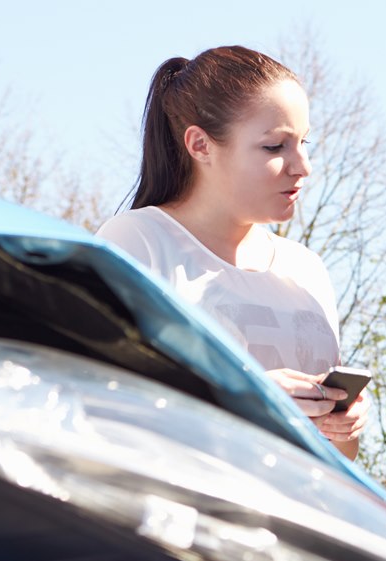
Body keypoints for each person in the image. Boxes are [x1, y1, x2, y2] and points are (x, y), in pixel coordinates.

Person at [97, 45, 367, 460]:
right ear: (200, 145)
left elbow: (340, 457)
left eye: (304, 142)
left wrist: (343, 425)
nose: (303, 165)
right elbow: (101, 408)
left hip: (297, 518)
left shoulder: (306, 269)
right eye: (275, 147)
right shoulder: (138, 242)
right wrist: (246, 397)